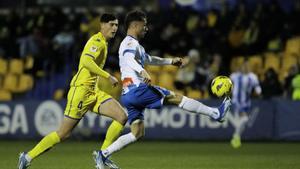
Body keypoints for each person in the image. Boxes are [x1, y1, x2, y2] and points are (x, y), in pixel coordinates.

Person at [92, 10, 232, 169]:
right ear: (136, 25)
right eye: (144, 25)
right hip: (138, 89)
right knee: (176, 98)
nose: (146, 28)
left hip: (128, 94)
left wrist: (170, 61)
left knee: (137, 133)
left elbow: (150, 59)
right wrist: (141, 71)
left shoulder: (134, 44)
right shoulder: (130, 43)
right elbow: (129, 58)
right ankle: (216, 113)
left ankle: (103, 155)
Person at [18, 13, 127, 169]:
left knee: (121, 116)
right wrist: (107, 76)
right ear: (102, 25)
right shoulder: (96, 41)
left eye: (116, 25)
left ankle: (102, 156)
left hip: (93, 91)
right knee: (63, 134)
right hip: (81, 92)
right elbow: (85, 61)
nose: (115, 28)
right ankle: (27, 157)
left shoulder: (104, 42)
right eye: (111, 24)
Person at [230, 60, 262, 148]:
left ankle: (236, 138)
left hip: (247, 102)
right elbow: (229, 84)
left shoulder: (252, 76)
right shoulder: (235, 76)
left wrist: (259, 92)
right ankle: (235, 136)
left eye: (247, 66)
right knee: (244, 119)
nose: (245, 67)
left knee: (241, 123)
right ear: (241, 67)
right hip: (236, 101)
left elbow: (257, 86)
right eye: (244, 65)